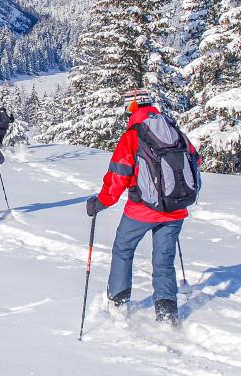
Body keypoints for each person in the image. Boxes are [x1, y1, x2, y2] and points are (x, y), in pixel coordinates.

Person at [85, 89, 201, 326]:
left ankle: (118, 302)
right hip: (175, 209)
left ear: (132, 108)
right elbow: (195, 160)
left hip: (142, 210)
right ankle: (167, 313)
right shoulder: (173, 130)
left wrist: (100, 202)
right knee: (164, 259)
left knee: (123, 249)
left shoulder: (133, 135)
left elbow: (119, 174)